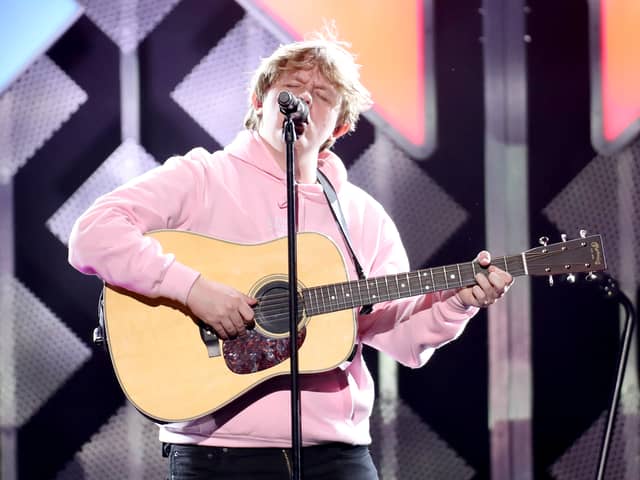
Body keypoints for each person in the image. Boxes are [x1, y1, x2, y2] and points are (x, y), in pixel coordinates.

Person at [68, 31, 513, 480]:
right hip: (217, 456)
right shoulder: (202, 177)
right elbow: (93, 233)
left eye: (321, 95)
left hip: (336, 457)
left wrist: (456, 302)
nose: (302, 98)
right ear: (261, 100)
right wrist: (193, 289)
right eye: (291, 88)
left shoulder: (361, 216)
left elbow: (399, 336)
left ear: (339, 126)